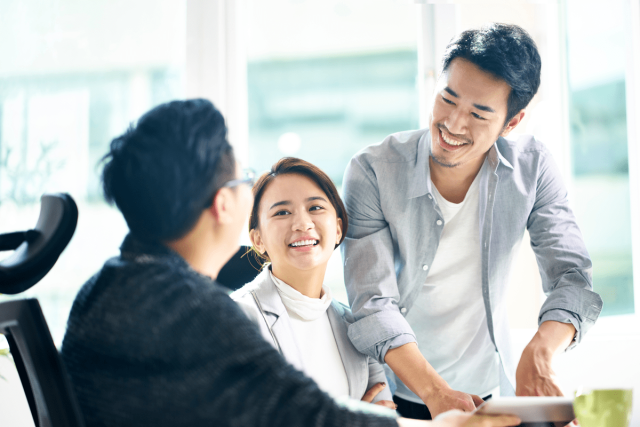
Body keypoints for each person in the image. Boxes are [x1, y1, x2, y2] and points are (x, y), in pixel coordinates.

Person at [60, 99, 520, 427]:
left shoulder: (108, 289)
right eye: (245, 181)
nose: (301, 222)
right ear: (224, 206)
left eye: (317, 208)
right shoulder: (189, 311)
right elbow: (306, 417)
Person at [341, 23, 603, 420]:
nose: (453, 124)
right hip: (395, 392)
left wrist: (542, 350)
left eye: (479, 114)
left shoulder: (531, 170)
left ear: (511, 124)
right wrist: (436, 392)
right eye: (447, 99)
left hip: (488, 388)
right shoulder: (374, 170)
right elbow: (373, 303)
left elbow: (572, 277)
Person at [231, 157, 394, 409]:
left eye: (315, 208)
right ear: (258, 239)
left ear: (338, 229)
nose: (303, 224)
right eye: (282, 212)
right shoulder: (235, 318)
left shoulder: (355, 324)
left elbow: (384, 413)